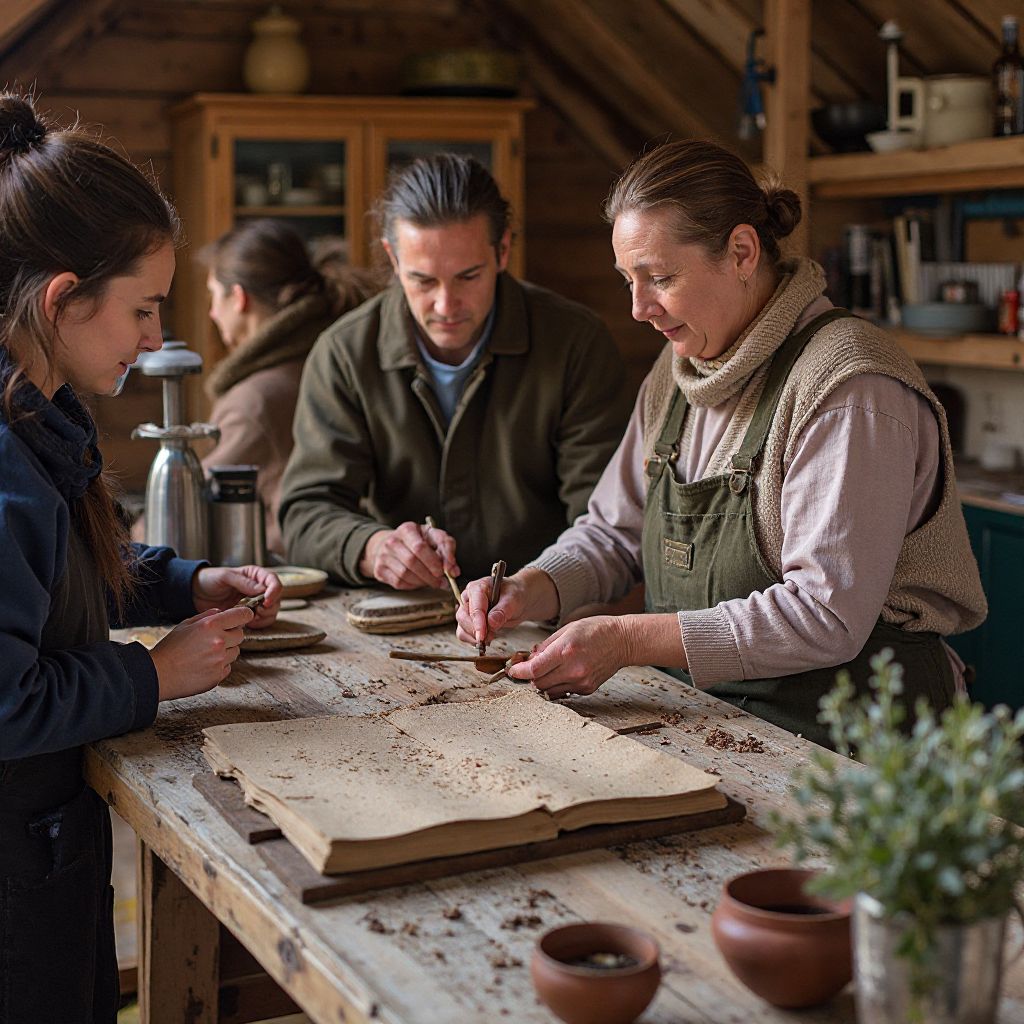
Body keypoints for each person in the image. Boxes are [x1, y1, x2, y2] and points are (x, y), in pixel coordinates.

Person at [456, 139, 987, 749]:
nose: (638, 308)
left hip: (860, 746)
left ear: (741, 251)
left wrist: (626, 639)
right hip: (726, 724)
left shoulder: (849, 387)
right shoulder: (678, 371)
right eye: (628, 280)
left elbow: (824, 615)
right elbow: (613, 532)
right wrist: (530, 588)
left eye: (660, 278)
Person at [0, 93, 283, 1023]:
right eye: (143, 309)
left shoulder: (42, 411)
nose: (156, 339)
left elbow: (68, 574)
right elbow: (6, 701)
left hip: (47, 838)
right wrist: (153, 674)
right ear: (62, 299)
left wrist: (184, 583)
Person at [279, 153, 631, 588]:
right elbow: (305, 513)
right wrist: (372, 548)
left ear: (502, 251)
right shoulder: (344, 354)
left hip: (545, 606)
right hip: (397, 609)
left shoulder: (575, 344)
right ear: (393, 259)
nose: (446, 305)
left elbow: (604, 518)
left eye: (468, 276)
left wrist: (539, 588)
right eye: (423, 280)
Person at [199, 219, 380, 556]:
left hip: (302, 572)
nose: (212, 312)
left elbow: (194, 506)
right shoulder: (338, 359)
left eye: (213, 295)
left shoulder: (255, 401)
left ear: (238, 298)